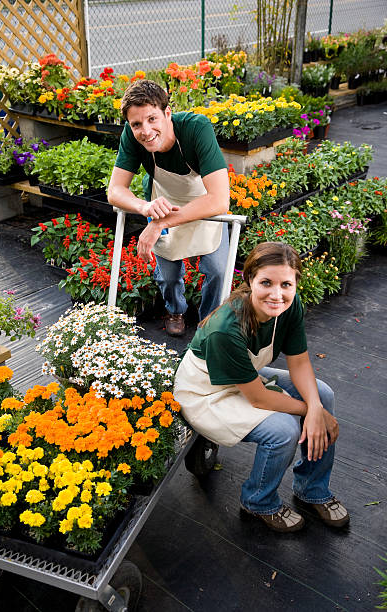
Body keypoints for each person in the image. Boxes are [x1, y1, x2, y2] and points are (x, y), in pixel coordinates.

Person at [174, 242, 349, 533]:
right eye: (266, 283)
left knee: (324, 394)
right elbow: (258, 398)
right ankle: (258, 501)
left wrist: (317, 407)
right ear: (250, 280)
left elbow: (300, 362)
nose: (277, 294)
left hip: (243, 377)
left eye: (286, 284)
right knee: (284, 430)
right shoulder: (225, 329)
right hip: (206, 393)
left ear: (295, 284)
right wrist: (312, 411)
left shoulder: (290, 308)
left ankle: (312, 488)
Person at [107, 80, 230, 336]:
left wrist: (160, 224)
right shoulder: (131, 135)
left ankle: (208, 324)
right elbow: (115, 191)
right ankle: (175, 309)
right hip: (163, 201)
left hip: (202, 202)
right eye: (137, 124)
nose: (146, 130)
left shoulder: (196, 129)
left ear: (167, 113)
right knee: (169, 274)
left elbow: (219, 199)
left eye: (152, 119)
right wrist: (145, 207)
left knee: (218, 270)